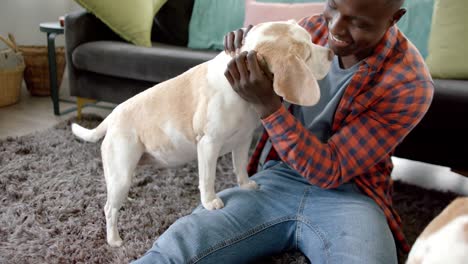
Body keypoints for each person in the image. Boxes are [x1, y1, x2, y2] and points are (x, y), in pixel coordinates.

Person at [134, 0, 433, 263]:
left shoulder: (410, 83)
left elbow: (332, 170)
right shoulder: (308, 31)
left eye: (359, 23)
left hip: (351, 193)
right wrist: (249, 51)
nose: (337, 29)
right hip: (276, 177)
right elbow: (236, 84)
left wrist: (268, 105)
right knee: (179, 246)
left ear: (394, 18)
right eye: (333, 6)